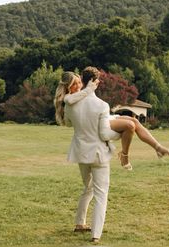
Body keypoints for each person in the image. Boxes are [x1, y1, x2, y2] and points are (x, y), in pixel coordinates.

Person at [55, 71, 169, 171]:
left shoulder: (81, 93)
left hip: (102, 117)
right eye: (74, 84)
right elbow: (72, 101)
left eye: (79, 82)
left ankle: (158, 148)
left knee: (135, 121)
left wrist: (89, 89)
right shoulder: (69, 98)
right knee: (130, 125)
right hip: (96, 122)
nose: (78, 86)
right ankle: (124, 156)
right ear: (67, 87)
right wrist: (90, 89)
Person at [54, 67, 121, 244]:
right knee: (101, 193)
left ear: (83, 81)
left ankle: (79, 223)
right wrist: (121, 133)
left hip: (81, 153)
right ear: (96, 82)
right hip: (98, 154)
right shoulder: (102, 105)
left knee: (88, 188)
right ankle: (96, 234)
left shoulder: (70, 104)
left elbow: (68, 123)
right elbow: (105, 135)